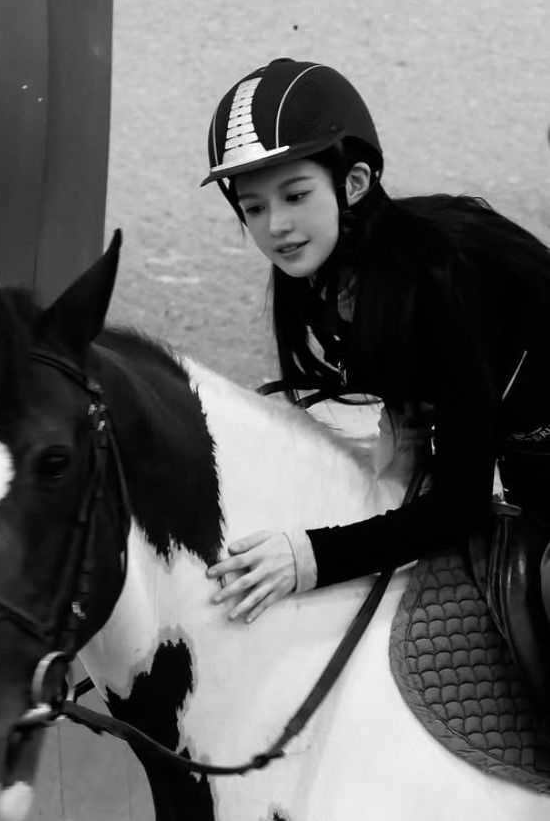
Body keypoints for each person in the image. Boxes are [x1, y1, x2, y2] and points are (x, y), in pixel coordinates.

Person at [201, 57, 550, 626]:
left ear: (355, 183)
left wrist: (307, 559)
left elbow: (459, 504)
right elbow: (413, 423)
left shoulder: (440, 282)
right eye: (254, 208)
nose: (275, 227)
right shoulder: (319, 271)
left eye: (294, 196)